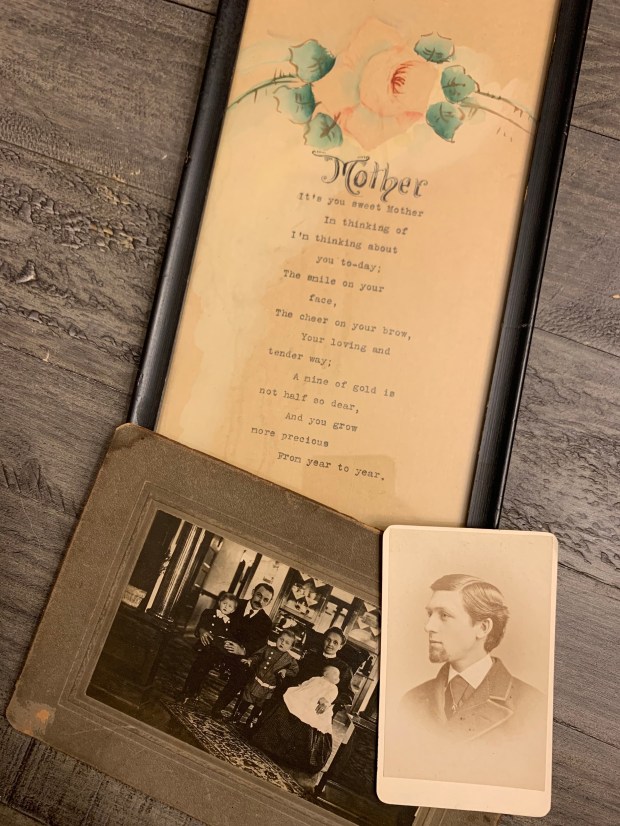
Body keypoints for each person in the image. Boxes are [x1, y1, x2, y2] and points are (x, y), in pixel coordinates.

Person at [397, 573, 547, 786]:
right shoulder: (412, 700)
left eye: (444, 615)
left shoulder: (533, 709)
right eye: (430, 614)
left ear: (483, 628)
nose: (428, 626)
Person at [251, 627, 354, 786]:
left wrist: (328, 701)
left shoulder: (344, 668)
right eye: (328, 639)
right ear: (324, 640)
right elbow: (296, 675)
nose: (330, 644)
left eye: (335, 642)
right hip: (301, 695)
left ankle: (293, 758)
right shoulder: (311, 656)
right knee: (286, 703)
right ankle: (270, 746)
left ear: (340, 646)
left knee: (310, 718)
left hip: (321, 702)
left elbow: (348, 695)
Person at [179, 583, 274, 710]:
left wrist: (243, 650)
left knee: (243, 673)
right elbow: (210, 615)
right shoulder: (233, 603)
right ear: (253, 592)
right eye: (259, 595)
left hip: (239, 656)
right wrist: (202, 629)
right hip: (219, 647)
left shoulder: (266, 622)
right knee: (205, 656)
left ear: (269, 602)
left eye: (265, 600)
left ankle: (218, 707)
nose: (260, 601)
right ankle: (188, 692)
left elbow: (259, 645)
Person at [233, 629, 299, 728]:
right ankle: (237, 716)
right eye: (281, 639)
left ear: (291, 647)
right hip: (256, 682)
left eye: (287, 643)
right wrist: (250, 660)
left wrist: (286, 671)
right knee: (246, 700)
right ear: (277, 638)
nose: (282, 643)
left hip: (268, 688)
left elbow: (295, 671)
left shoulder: (289, 659)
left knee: (259, 706)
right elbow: (257, 656)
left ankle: (249, 722)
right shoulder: (267, 649)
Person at [190, 592, 238, 658]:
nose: (226, 607)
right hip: (204, 644)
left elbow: (228, 636)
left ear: (233, 610)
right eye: (224, 603)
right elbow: (200, 627)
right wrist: (202, 630)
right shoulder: (209, 612)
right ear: (219, 602)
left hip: (216, 648)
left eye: (230, 606)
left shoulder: (229, 622)